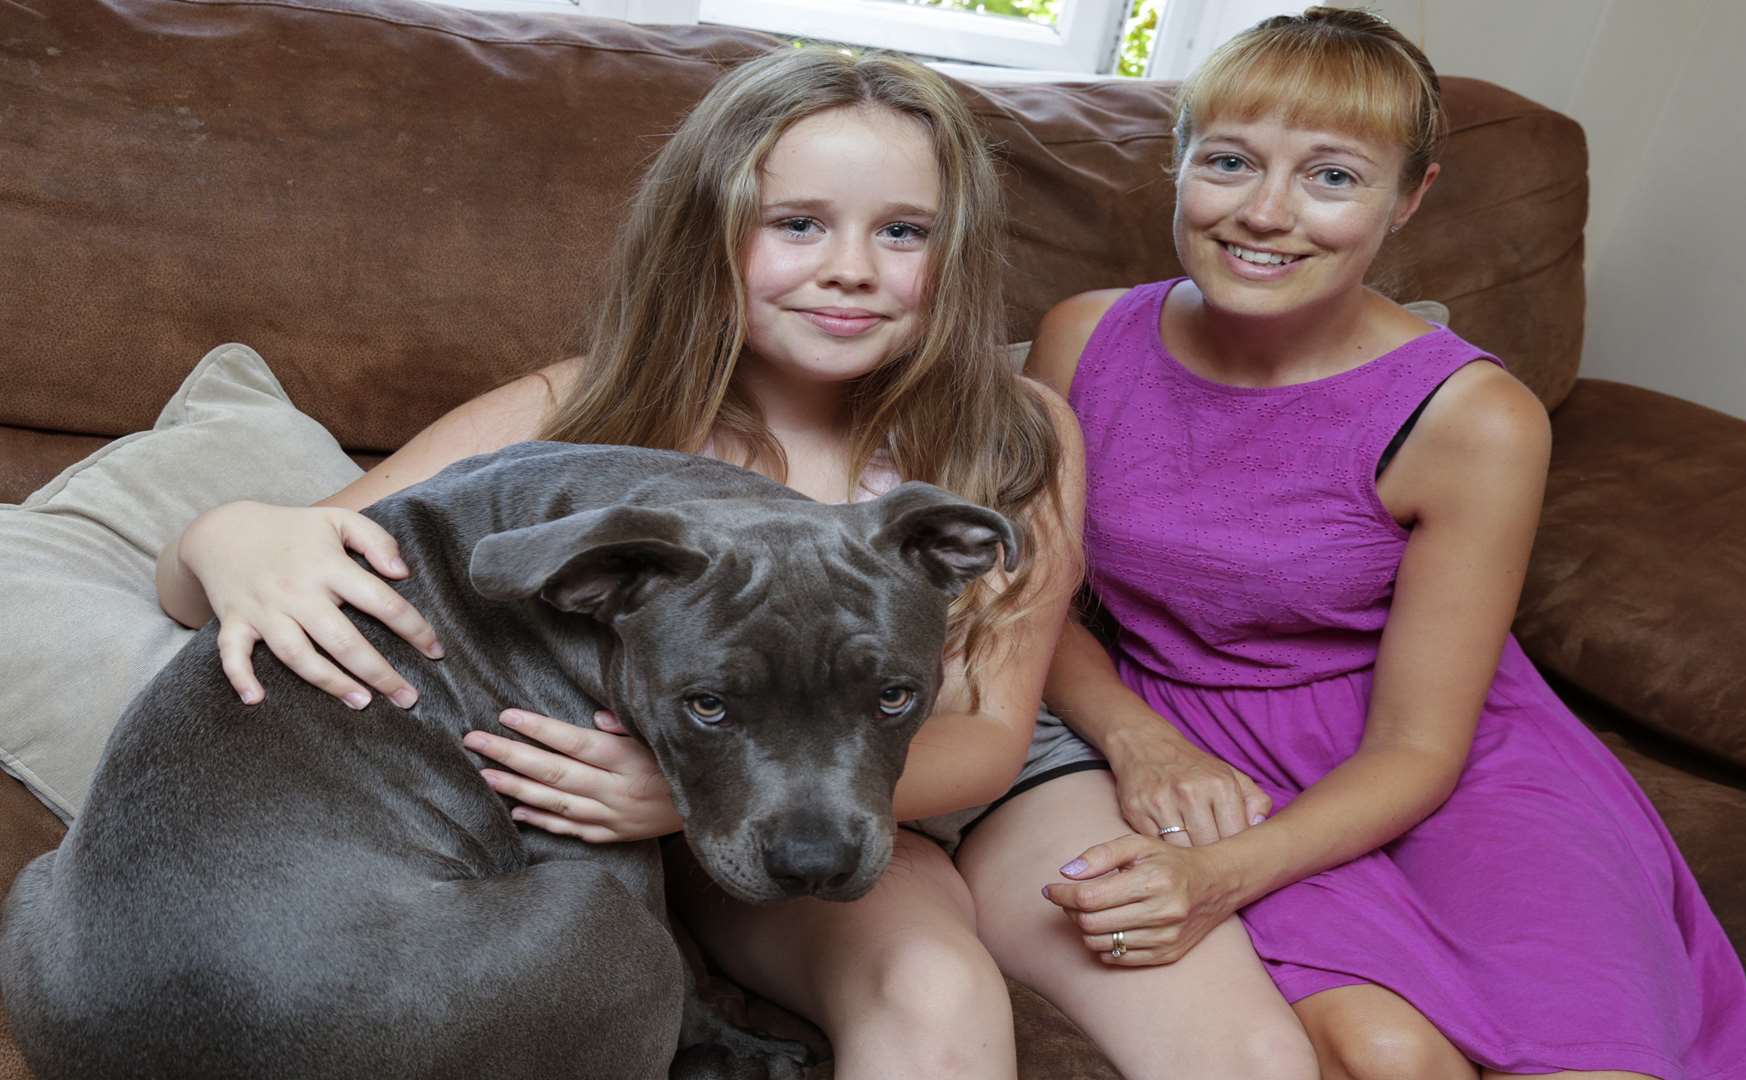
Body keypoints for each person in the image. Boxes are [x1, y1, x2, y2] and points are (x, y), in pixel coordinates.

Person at [156, 48, 1089, 1080]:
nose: (853, 268)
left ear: (956, 256)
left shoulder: (1011, 436)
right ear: (707, 233)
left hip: (886, 806)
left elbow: (997, 737)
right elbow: (271, 567)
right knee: (928, 978)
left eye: (903, 231)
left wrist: (663, 795)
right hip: (689, 842)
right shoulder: (571, 414)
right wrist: (231, 535)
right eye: (798, 223)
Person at [954, 9, 1746, 1080]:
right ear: (1177, 166)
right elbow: (1033, 599)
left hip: (1438, 760)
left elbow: (1418, 748)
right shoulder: (1086, 339)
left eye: (1333, 177)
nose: (1265, 214)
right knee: (1384, 1055)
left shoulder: (1477, 419)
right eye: (1228, 162)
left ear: (1409, 199)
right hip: (1204, 742)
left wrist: (1221, 874)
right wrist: (1137, 738)